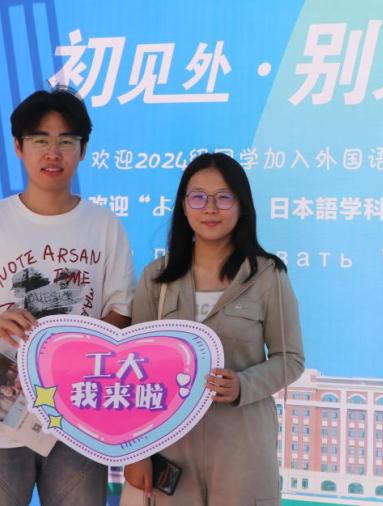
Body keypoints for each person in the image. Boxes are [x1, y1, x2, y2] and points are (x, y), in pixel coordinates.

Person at [0, 88, 134, 506]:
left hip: (77, 417)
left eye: (66, 141)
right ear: (19, 147)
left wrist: (74, 344)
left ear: (83, 150)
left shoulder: (104, 225)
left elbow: (122, 312)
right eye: (40, 140)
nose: (53, 153)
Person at [124, 152, 304, 505]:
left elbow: (290, 359)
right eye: (198, 197)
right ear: (183, 206)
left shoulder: (268, 276)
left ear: (241, 206)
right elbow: (135, 369)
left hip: (243, 447)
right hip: (171, 447)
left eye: (223, 197)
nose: (210, 208)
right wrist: (136, 451)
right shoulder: (157, 278)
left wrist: (243, 385)